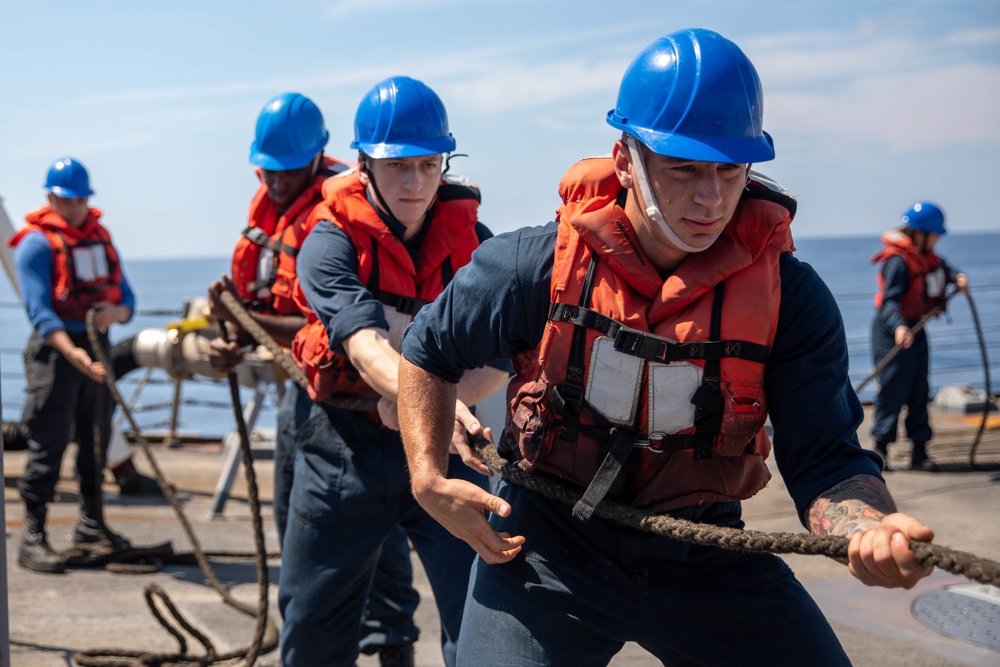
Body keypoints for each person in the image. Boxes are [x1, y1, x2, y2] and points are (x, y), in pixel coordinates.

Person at [397, 28, 937, 666]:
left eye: (729, 170)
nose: (710, 198)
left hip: (706, 553)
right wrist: (428, 478)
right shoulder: (532, 268)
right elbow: (429, 349)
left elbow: (827, 459)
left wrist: (870, 528)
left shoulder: (792, 299)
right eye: (684, 168)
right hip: (547, 549)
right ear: (626, 159)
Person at [276, 75, 509, 667]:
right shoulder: (328, 245)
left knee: (485, 614)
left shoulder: (474, 244)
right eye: (398, 166)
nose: (416, 182)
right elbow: (364, 346)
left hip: (448, 445)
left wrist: (422, 411)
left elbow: (497, 361)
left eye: (430, 165)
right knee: (314, 621)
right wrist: (424, 401)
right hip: (345, 447)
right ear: (363, 166)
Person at [204, 92, 421, 664]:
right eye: (267, 171)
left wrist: (243, 320)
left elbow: (319, 318)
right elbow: (271, 318)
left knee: (379, 538)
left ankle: (392, 645)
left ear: (319, 157)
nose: (276, 183)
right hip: (300, 395)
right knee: (299, 535)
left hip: (358, 406)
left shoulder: (339, 224)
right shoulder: (275, 213)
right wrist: (235, 336)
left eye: (288, 170)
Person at [8, 157, 136, 573]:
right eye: (68, 200)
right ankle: (33, 535)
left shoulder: (101, 239)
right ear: (50, 199)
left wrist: (112, 315)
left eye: (81, 200)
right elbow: (40, 310)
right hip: (56, 353)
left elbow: (127, 301)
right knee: (48, 442)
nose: (76, 208)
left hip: (95, 348)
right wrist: (72, 353)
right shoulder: (36, 245)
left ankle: (90, 523)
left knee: (95, 439)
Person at [869, 202, 969, 471]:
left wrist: (958, 277)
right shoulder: (898, 262)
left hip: (916, 327)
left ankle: (919, 451)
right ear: (920, 233)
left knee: (918, 389)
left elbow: (943, 269)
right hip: (893, 330)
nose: (938, 239)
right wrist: (899, 327)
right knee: (892, 389)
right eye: (935, 234)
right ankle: (881, 450)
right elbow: (890, 302)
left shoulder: (927, 256)